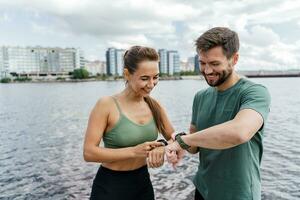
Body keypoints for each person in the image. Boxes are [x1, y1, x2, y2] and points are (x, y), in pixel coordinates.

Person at [166, 27, 271, 200]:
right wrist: (180, 140)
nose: (207, 71)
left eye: (215, 64)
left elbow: (239, 132)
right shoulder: (200, 97)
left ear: (234, 59)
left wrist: (183, 141)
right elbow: (195, 145)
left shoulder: (255, 93)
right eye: (202, 63)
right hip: (203, 189)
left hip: (238, 194)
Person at [83, 46, 174, 200]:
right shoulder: (106, 105)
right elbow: (89, 153)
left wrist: (163, 147)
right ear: (127, 74)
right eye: (145, 78)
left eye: (156, 77)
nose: (151, 84)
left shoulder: (155, 106)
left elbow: (174, 138)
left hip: (143, 185)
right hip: (110, 187)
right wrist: (133, 151)